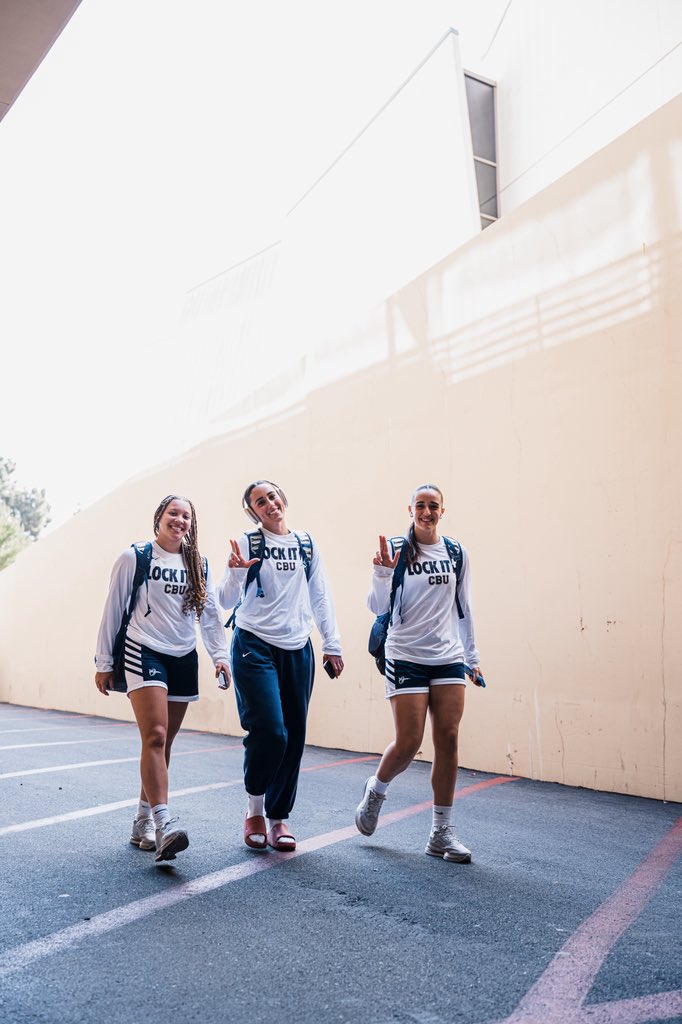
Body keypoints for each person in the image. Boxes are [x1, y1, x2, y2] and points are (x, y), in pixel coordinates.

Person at [95, 494, 231, 863]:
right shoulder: (135, 557)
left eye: (186, 516)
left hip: (183, 656)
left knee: (164, 742)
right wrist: (104, 661)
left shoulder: (198, 563)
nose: (180, 520)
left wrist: (220, 656)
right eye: (174, 513)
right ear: (159, 517)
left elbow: (209, 615)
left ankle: (142, 821)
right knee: (154, 735)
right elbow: (113, 608)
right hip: (144, 649)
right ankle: (164, 824)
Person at [356, 483, 484, 863]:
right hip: (405, 654)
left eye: (433, 506)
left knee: (448, 738)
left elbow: (464, 607)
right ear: (410, 510)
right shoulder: (396, 549)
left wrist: (472, 656)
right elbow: (377, 606)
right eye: (420, 506)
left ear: (442, 511)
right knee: (409, 742)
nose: (427, 512)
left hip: (447, 655)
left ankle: (440, 832)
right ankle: (376, 791)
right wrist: (382, 573)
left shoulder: (456, 552)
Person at [218, 480, 343, 853]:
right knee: (271, 731)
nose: (269, 503)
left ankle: (278, 818)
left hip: (297, 646)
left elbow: (320, 594)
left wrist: (332, 643)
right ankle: (255, 808)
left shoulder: (305, 543)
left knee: (295, 735)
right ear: (252, 512)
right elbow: (225, 599)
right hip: (254, 643)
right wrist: (236, 573)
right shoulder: (247, 543)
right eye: (260, 501)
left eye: (272, 496)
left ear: (282, 499)